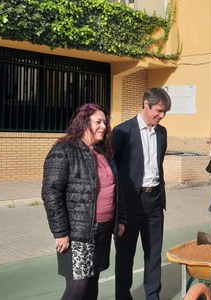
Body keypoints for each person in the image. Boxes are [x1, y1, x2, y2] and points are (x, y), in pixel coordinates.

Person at [42, 103, 127, 300]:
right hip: (78, 233)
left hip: (102, 230)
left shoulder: (102, 152)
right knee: (77, 289)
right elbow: (51, 193)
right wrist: (61, 232)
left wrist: (120, 219)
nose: (103, 126)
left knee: (91, 286)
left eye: (105, 122)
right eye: (98, 122)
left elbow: (116, 188)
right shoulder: (64, 150)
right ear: (84, 123)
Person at [111, 87, 171, 300]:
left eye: (165, 113)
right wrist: (117, 207)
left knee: (154, 254)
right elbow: (112, 171)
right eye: (159, 111)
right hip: (130, 203)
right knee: (125, 255)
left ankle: (152, 295)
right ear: (146, 103)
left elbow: (158, 163)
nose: (162, 116)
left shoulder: (161, 132)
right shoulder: (122, 132)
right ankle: (123, 296)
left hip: (154, 200)